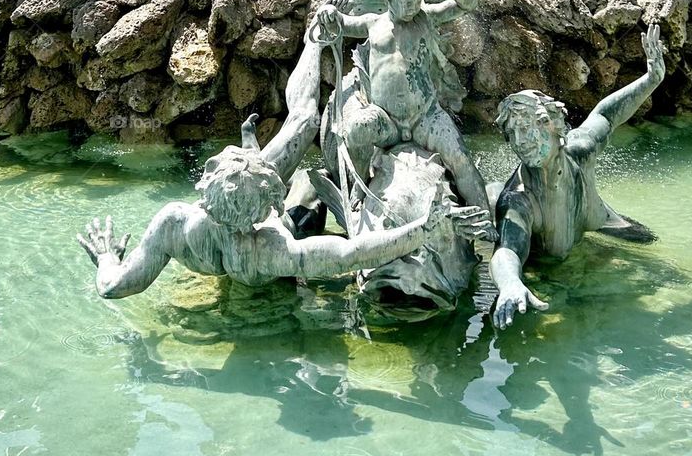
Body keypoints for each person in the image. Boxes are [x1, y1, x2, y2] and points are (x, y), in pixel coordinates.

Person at [78, 25, 492, 294]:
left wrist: (106, 257)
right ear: (268, 203)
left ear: (207, 185)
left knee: (304, 124)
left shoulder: (174, 224)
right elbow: (354, 254)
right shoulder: (272, 249)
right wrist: (425, 228)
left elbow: (113, 287)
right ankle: (313, 39)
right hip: (265, 257)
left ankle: (314, 41)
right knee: (306, 131)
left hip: (234, 220)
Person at [490, 23, 667, 329]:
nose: (522, 139)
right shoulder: (519, 200)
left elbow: (605, 115)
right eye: (514, 132)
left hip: (599, 218)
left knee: (650, 243)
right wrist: (509, 284)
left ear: (556, 125)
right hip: (547, 259)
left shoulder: (580, 150)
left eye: (531, 126)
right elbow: (507, 250)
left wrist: (651, 79)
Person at [315, 0, 491, 211]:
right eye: (407, 2)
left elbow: (469, 3)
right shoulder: (372, 24)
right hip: (386, 121)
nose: (412, 8)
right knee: (358, 129)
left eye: (416, 1)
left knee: (461, 159)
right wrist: (330, 14)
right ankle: (360, 183)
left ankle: (484, 217)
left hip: (426, 117)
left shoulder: (426, 17)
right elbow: (340, 24)